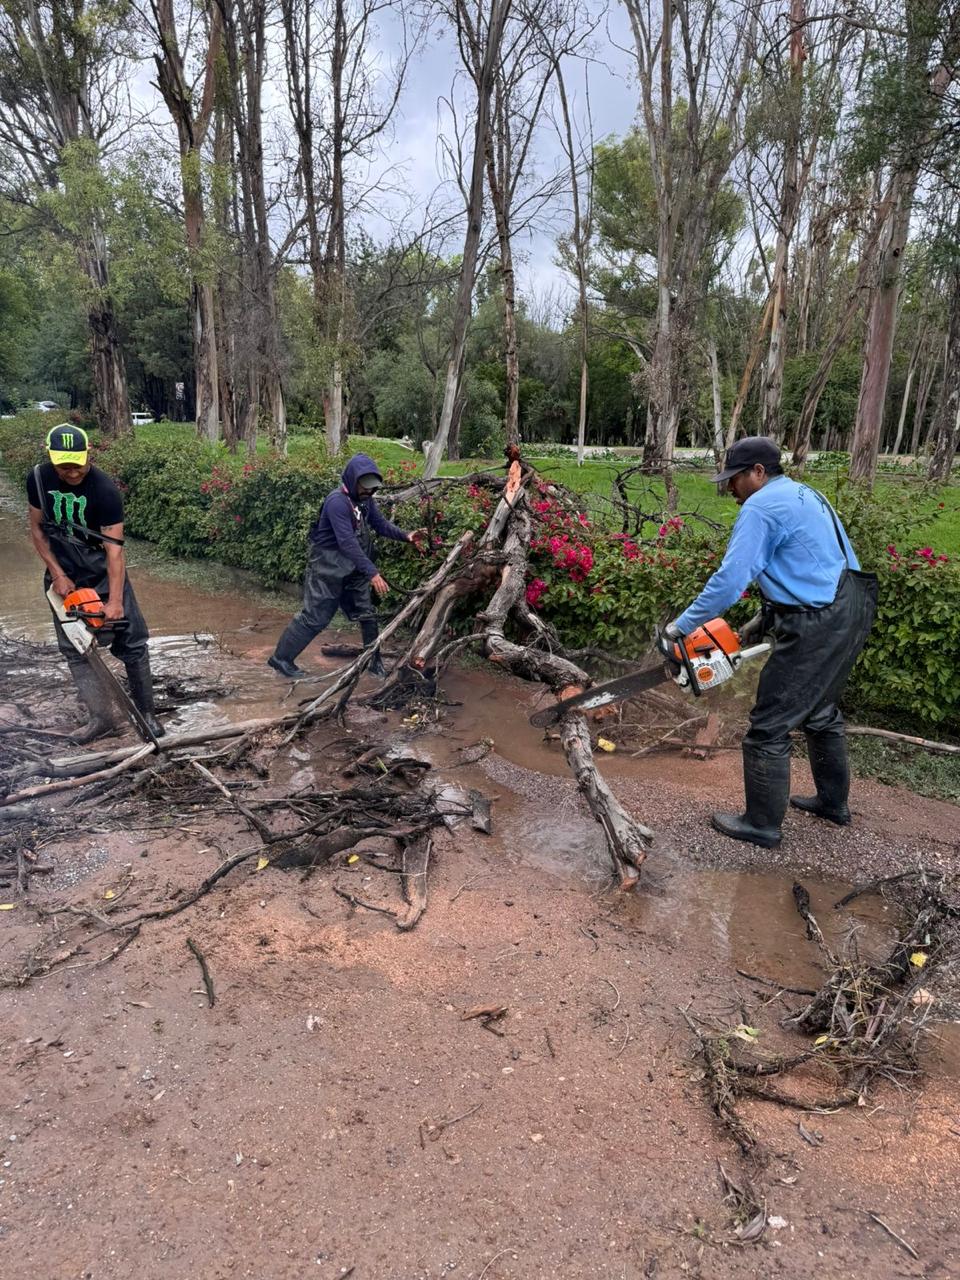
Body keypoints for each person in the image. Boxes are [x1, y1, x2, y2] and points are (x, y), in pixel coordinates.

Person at [665, 436, 877, 848]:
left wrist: (680, 628)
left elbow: (730, 580)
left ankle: (761, 824)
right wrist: (764, 618)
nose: (730, 490)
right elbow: (813, 564)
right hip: (851, 606)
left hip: (818, 620)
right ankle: (833, 805)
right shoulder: (802, 493)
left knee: (768, 725)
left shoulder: (761, 506)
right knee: (820, 713)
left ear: (758, 473)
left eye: (735, 479)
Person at [26, 424, 164, 742]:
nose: (72, 472)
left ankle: (147, 714)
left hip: (101, 568)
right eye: (64, 465)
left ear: (89, 454)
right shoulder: (37, 479)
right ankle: (101, 718)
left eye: (77, 463)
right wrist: (58, 574)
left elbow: (115, 551)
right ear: (50, 457)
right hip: (63, 570)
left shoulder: (104, 490)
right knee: (74, 649)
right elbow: (36, 530)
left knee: (132, 642)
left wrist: (114, 600)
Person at [268, 453, 425, 679]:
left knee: (367, 614)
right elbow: (347, 542)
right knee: (315, 617)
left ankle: (374, 662)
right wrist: (372, 572)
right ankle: (281, 659)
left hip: (354, 569)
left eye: (372, 488)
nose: (369, 492)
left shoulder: (365, 501)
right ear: (352, 480)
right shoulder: (337, 502)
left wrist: (407, 536)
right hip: (327, 568)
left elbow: (379, 525)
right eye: (365, 487)